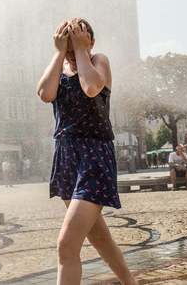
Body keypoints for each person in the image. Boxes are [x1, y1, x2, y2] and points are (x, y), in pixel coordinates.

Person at [36, 17, 137, 284]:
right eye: (66, 45)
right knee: (99, 236)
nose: (70, 51)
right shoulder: (60, 67)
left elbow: (91, 87)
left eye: (76, 44)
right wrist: (60, 53)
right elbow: (45, 93)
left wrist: (81, 50)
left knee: (66, 246)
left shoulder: (98, 61)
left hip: (94, 157)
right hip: (67, 157)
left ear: (90, 41)